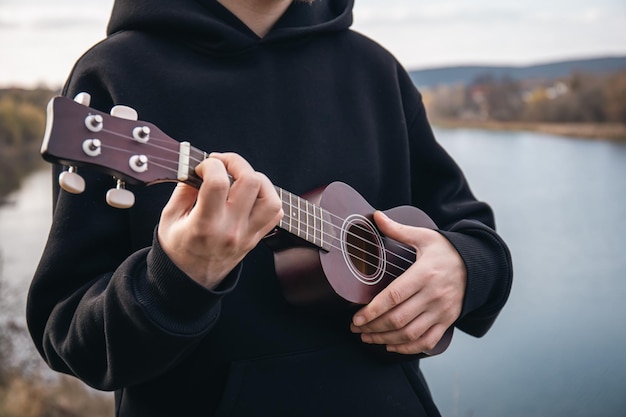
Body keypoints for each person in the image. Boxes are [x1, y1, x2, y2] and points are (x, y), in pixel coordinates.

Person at [27, 0, 513, 416]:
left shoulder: (374, 69)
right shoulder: (117, 76)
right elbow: (68, 335)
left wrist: (462, 268)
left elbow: (471, 232)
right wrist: (176, 278)